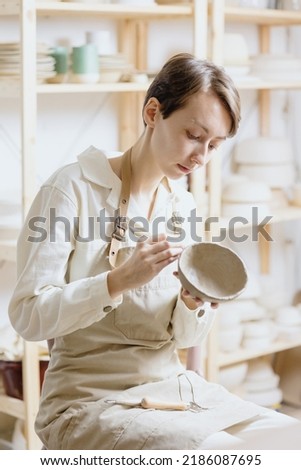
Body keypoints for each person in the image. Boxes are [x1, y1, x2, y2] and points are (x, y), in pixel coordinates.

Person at [8, 53, 300, 450]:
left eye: (214, 145)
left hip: (171, 391)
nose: (201, 157)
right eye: (194, 135)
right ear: (152, 112)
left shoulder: (181, 207)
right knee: (229, 454)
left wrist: (193, 303)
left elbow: (182, 338)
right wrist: (117, 281)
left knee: (288, 438)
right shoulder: (72, 189)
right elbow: (28, 316)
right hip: (88, 400)